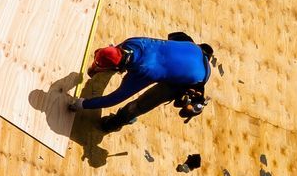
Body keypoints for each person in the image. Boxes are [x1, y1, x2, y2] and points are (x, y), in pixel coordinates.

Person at [77, 33, 213, 120]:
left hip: (194, 79)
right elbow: (112, 53)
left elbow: (114, 98)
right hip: (194, 51)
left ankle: (116, 122)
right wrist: (96, 68)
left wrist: (82, 104)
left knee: (143, 104)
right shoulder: (133, 42)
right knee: (174, 43)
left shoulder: (143, 72)